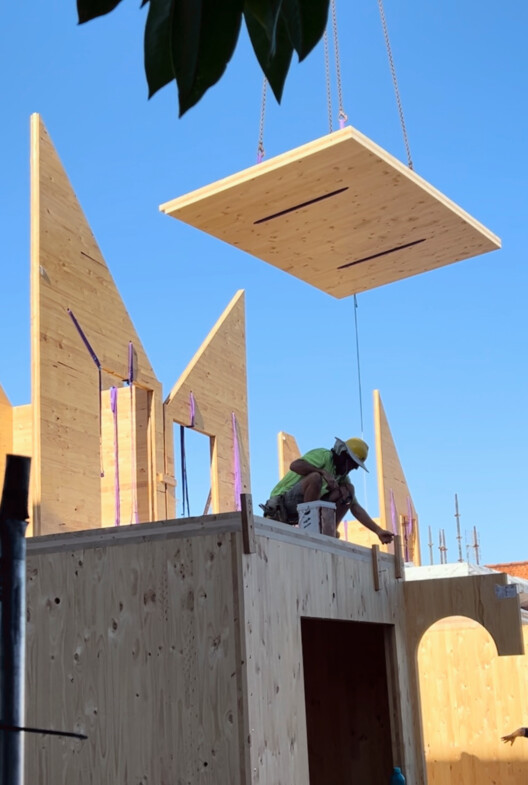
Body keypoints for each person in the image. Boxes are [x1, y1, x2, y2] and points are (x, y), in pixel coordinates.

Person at [261, 436, 394, 544]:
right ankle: (310, 526)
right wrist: (322, 472)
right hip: (283, 504)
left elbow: (355, 508)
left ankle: (329, 531)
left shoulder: (342, 477)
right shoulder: (323, 455)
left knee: (348, 490)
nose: (354, 468)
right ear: (343, 455)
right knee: (315, 478)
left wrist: (378, 531)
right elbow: (295, 465)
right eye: (352, 464)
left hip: (302, 510)